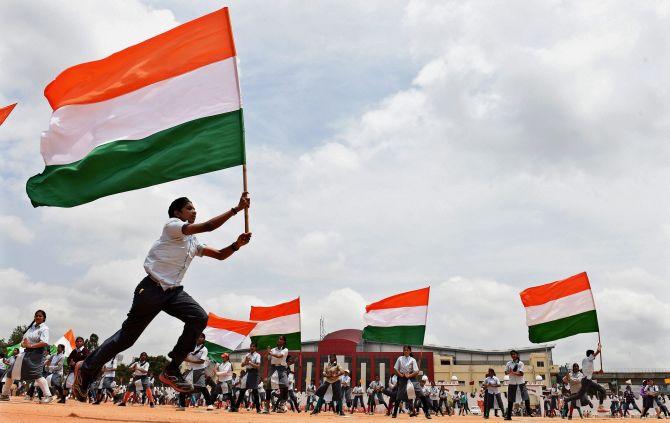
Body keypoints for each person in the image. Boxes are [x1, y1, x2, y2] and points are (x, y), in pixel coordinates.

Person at [71, 194, 251, 400]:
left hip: (173, 292)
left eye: (194, 209)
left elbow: (219, 254)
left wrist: (236, 245)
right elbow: (209, 226)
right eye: (189, 208)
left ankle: (172, 369)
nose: (194, 211)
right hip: (151, 289)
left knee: (199, 317)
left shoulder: (192, 241)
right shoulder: (172, 226)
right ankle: (86, 368)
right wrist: (236, 209)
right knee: (127, 338)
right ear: (177, 212)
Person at [0, 310, 54, 403]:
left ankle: (48, 396)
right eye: (36, 315)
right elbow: (25, 340)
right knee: (11, 371)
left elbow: (44, 342)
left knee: (37, 374)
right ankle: (4, 394)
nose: (38, 317)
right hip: (26, 353)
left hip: (37, 354)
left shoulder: (44, 328)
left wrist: (31, 345)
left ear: (44, 318)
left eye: (40, 316)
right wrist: (23, 344)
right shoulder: (31, 327)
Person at [391, 345, 432, 419]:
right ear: (403, 351)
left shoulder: (413, 360)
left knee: (421, 394)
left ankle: (427, 412)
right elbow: (395, 369)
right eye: (404, 350)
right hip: (402, 379)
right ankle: (394, 413)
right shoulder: (400, 359)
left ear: (410, 351)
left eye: (407, 350)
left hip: (412, 379)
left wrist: (409, 375)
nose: (406, 351)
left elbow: (416, 371)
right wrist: (401, 375)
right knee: (399, 396)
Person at [564, 345, 606, 413]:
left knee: (579, 395)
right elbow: (597, 352)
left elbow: (588, 372)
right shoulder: (587, 359)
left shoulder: (587, 362)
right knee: (602, 390)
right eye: (593, 355)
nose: (594, 357)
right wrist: (599, 348)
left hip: (587, 380)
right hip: (586, 380)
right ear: (590, 355)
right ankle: (600, 406)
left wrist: (598, 372)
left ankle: (566, 399)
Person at [179, 333, 213, 410]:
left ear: (204, 339)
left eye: (201, 337)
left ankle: (210, 404)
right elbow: (186, 355)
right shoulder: (192, 347)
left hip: (199, 370)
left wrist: (189, 360)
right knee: (183, 386)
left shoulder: (204, 349)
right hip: (190, 370)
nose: (198, 338)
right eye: (198, 336)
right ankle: (182, 405)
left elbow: (201, 361)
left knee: (202, 387)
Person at [231, 341, 261, 412]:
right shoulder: (247, 355)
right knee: (242, 390)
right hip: (247, 372)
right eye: (251, 346)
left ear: (256, 348)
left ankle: (258, 409)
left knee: (255, 391)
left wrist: (250, 362)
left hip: (254, 373)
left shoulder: (258, 355)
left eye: (253, 346)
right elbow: (242, 365)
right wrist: (246, 362)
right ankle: (236, 407)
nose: (252, 347)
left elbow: (258, 366)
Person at [504, 350, 532, 420]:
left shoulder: (521, 363)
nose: (513, 355)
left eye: (514, 354)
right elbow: (505, 372)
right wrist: (509, 372)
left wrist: (513, 372)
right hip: (512, 383)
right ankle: (509, 416)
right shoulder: (509, 363)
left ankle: (529, 412)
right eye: (512, 354)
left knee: (526, 397)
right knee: (510, 399)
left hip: (521, 383)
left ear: (517, 355)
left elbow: (521, 374)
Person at [267, 335, 290, 412]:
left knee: (286, 386)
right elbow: (267, 358)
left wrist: (270, 353)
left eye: (281, 339)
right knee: (268, 386)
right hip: (273, 368)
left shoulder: (285, 350)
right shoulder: (273, 349)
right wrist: (267, 353)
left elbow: (279, 356)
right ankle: (266, 407)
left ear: (284, 341)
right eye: (278, 339)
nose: (279, 340)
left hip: (282, 369)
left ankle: (282, 404)